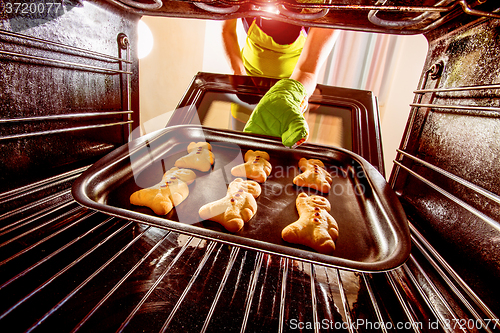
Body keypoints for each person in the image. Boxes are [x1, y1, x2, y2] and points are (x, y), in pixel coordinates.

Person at [221, 18, 338, 148]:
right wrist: (238, 72)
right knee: (241, 150)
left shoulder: (326, 11)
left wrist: (289, 98)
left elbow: (307, 70)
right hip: (248, 90)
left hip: (288, 96)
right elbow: (227, 30)